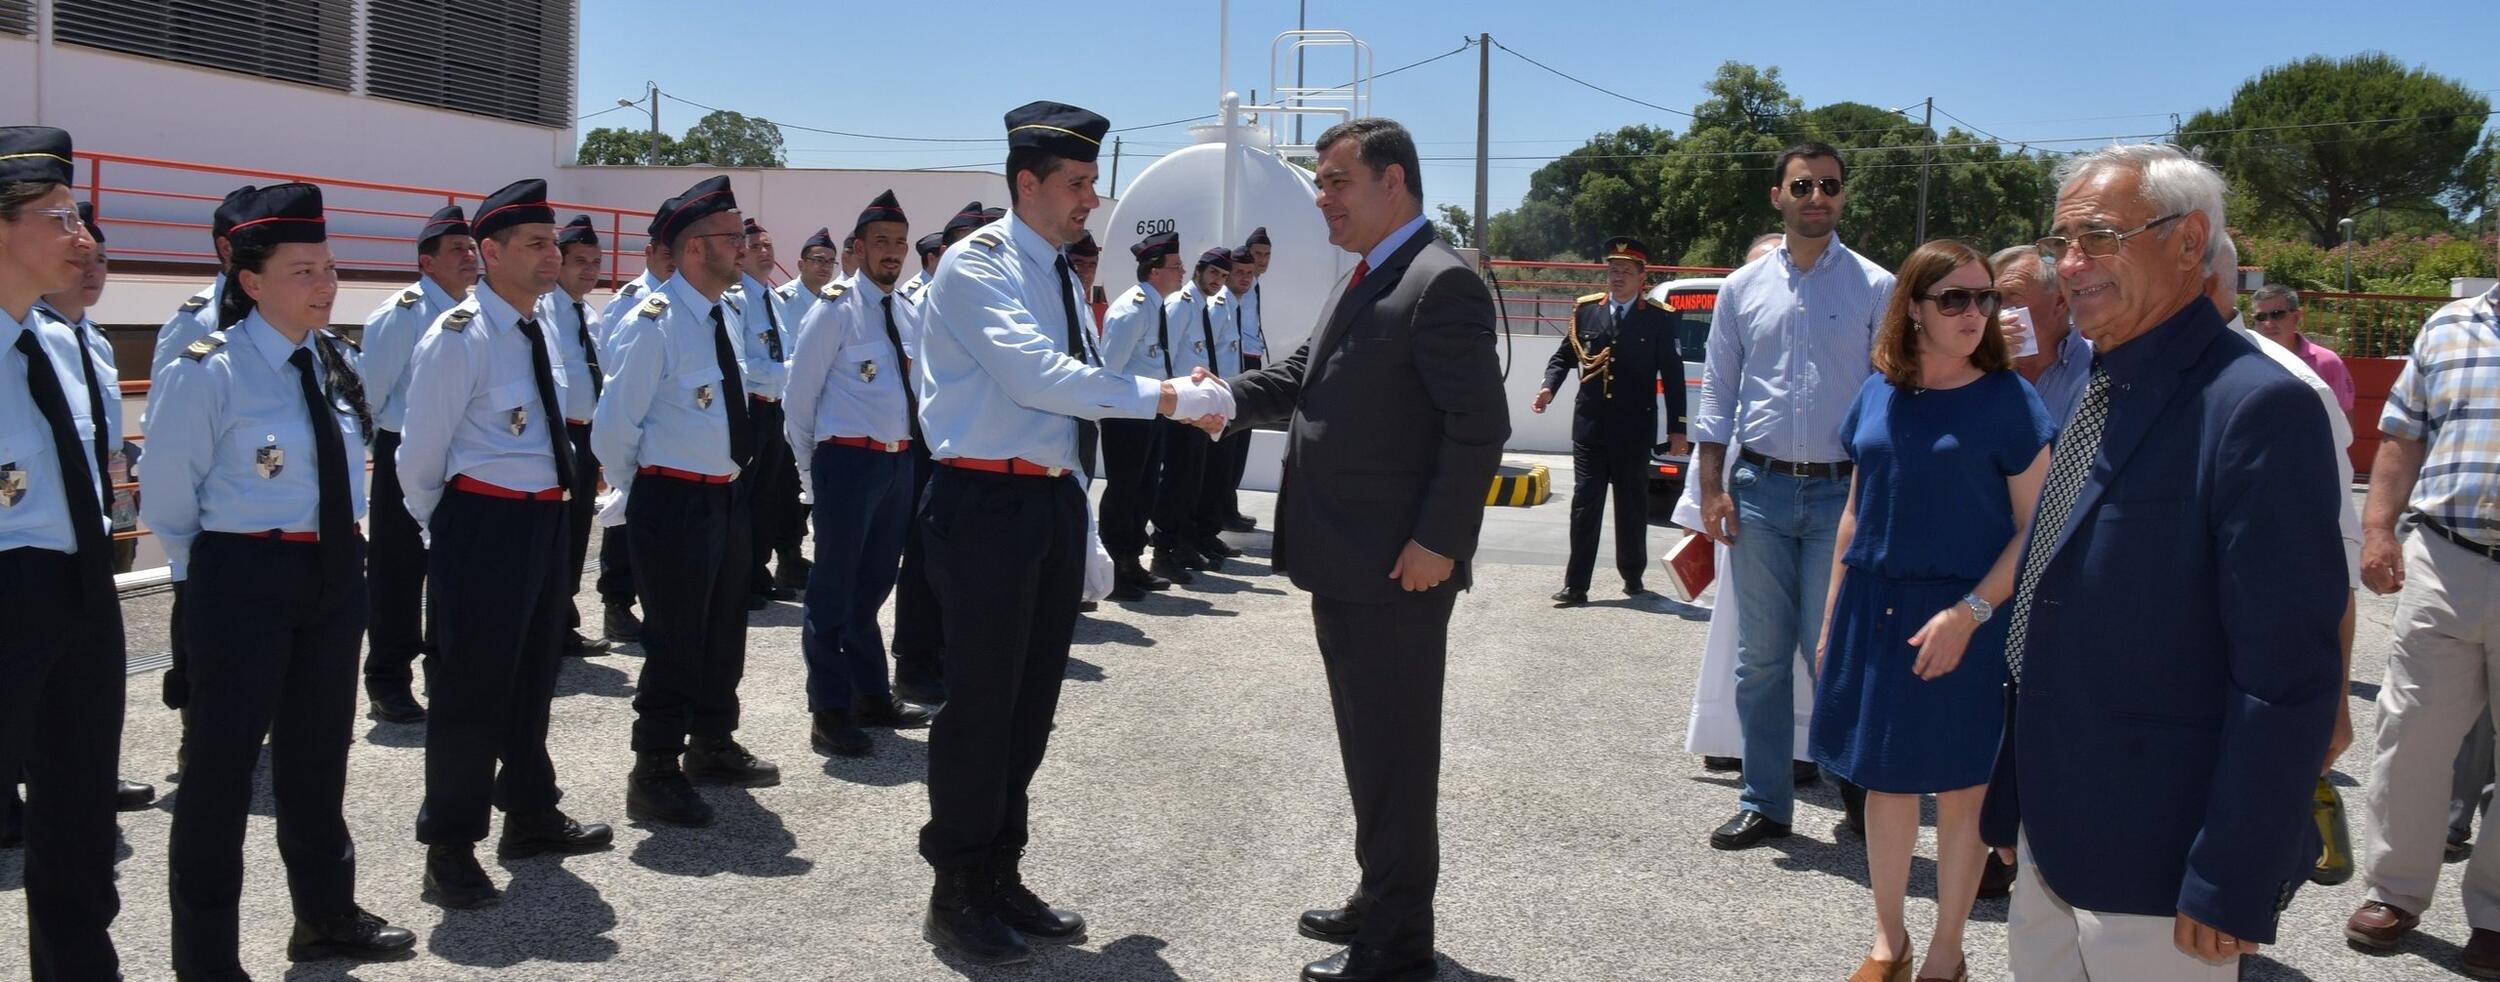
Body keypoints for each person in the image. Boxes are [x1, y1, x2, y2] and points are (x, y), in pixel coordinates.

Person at [1980, 143, 2343, 979]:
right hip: (2052, 841)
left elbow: (2285, 675)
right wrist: (2015, 796)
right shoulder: (2105, 388)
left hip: (2160, 870)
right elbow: (2050, 601)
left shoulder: (2258, 407)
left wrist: (2232, 876)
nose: (2072, 264)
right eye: (2062, 241)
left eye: (2101, 237)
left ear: (2189, 243)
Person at [911, 100, 1228, 966]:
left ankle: (1001, 871)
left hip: (1044, 502)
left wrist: (1083, 518)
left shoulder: (1053, 269)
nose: (1094, 197)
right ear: (1028, 182)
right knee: (980, 708)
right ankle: (956, 888)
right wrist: (1166, 398)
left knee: (1031, 706)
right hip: (981, 506)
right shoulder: (979, 266)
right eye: (1079, 182)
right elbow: (1038, 376)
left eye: (1093, 181)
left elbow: (1080, 392)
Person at [1216, 116, 1509, 982]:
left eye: (1337, 180)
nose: (1321, 197)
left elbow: (1479, 427)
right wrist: (1199, 399)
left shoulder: (1438, 281)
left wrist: (1437, 543)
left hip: (1398, 572)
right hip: (1349, 563)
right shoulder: (1371, 275)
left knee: (1395, 753)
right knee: (1369, 747)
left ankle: (1398, 947)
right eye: (1320, 180)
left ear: (1394, 182)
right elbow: (1295, 381)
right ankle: (1382, 895)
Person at [143, 181, 419, 976]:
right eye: (304, 271)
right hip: (242, 574)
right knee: (220, 774)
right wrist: (213, 581)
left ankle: (326, 916)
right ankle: (206, 957)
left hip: (331, 570)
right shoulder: (210, 370)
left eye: (330, 268)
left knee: (317, 754)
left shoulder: (332, 360)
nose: (325, 284)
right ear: (251, 282)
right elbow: (169, 494)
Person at [1811, 240, 2053, 982]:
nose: (1975, 313)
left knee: (1961, 789)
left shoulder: (2010, 401)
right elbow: (1854, 514)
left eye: (1985, 298)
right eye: (1954, 299)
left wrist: (1970, 613)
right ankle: (1890, 941)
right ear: (1912, 309)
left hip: (1966, 617)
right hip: (1874, 610)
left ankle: (1947, 949)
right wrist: (1828, 624)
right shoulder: (1879, 390)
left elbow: (2036, 528)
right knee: (1883, 785)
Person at [398, 179, 617, 910]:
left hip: (542, 522)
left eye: (553, 242)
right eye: (534, 244)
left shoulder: (544, 324)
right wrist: (451, 530)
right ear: (488, 253)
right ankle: (451, 846)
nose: (551, 255)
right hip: (481, 524)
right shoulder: (457, 338)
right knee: (468, 693)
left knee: (529, 679)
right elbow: (418, 458)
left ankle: (528, 814)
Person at [1692, 142, 1895, 849]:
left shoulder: (1877, 287)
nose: (1818, 197)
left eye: (1830, 186)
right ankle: (1766, 801)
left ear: (1843, 197)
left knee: (1833, 655)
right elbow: (1717, 392)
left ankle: (1863, 803)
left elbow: (1891, 398)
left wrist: (1877, 498)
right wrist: (1713, 487)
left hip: (1844, 497)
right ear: (1777, 195)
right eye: (1803, 185)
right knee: (1762, 660)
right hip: (1760, 492)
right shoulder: (1740, 290)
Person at [592, 174, 784, 829]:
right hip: (673, 500)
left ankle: (711, 744)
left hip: (724, 499)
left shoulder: (721, 313)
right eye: (734, 237)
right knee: (675, 642)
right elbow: (614, 427)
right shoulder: (655, 324)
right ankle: (653, 771)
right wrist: (646, 487)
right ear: (697, 247)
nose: (746, 247)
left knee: (724, 633)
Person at [2343, 252, 2500, 969]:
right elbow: (2401, 438)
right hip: (2448, 556)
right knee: (2412, 734)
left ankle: (2495, 912)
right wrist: (2378, 529)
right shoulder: (2449, 327)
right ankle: (2397, 892)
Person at [0, 124, 129, 982]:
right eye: (58, 217)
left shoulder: (62, 344)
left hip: (79, 590)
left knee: (79, 809)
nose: (81, 238)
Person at [781, 189, 938, 758]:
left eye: (899, 243)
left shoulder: (908, 309)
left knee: (874, 585)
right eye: (882, 243)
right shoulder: (834, 308)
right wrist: (810, 475)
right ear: (859, 248)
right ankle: (829, 708)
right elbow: (798, 402)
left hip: (896, 462)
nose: (893, 253)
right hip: (845, 462)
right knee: (832, 590)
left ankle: (872, 693)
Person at [33, 201, 159, 812]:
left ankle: (91, 771)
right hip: (39, 526)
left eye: (102, 258)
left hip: (99, 512)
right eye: (81, 256)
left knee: (93, 660)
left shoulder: (98, 345)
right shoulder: (31, 337)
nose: (92, 269)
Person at [1681, 230, 1809, 778]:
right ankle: (1729, 736)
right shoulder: (1738, 323)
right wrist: (1702, 504)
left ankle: (1803, 747)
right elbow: (1715, 412)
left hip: (1811, 493)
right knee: (1743, 642)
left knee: (1806, 637)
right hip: (1745, 497)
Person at [356, 203, 479, 725]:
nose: (470, 256)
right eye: (457, 250)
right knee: (398, 574)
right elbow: (369, 396)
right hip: (403, 451)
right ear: (426, 263)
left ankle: (446, 672)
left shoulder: (474, 313)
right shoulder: (400, 314)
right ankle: (388, 680)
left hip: (459, 456)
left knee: (453, 572)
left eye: (472, 248)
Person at [1533, 235, 1686, 606]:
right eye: (1612, 269)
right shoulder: (1586, 311)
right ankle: (1576, 585)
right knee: (1585, 503)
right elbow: (1564, 357)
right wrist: (1548, 387)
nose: (1616, 276)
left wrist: (1677, 429)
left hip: (1634, 430)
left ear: (1641, 277)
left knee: (1632, 505)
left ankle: (1632, 577)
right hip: (1590, 427)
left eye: (1625, 271)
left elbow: (1673, 374)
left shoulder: (1659, 320)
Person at [886, 199, 991, 706]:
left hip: (959, 438)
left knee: (955, 561)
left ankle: (942, 654)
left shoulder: (973, 295)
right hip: (934, 440)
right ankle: (913, 661)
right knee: (927, 558)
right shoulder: (932, 297)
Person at [590, 197, 682, 646]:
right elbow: (615, 374)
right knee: (622, 524)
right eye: (663, 252)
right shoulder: (632, 303)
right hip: (635, 432)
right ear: (648, 254)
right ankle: (616, 605)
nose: (671, 259)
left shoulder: (687, 301)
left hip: (667, 436)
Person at [1095, 230, 1185, 600]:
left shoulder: (1154, 306)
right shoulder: (1131, 309)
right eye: (1176, 266)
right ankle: (1115, 569)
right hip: (1126, 417)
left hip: (1149, 413)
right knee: (1124, 491)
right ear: (1154, 271)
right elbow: (1109, 368)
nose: (1182, 272)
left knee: (1144, 488)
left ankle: (1132, 561)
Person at [542, 215, 612, 658]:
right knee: (552, 537)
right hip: (557, 436)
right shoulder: (543, 311)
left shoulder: (587, 314)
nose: (589, 270)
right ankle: (546, 625)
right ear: (559, 263)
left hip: (587, 437)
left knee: (575, 534)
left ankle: (563, 622)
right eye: (579, 261)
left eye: (595, 262)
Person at [732, 217, 807, 609]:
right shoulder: (735, 300)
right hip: (748, 412)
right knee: (743, 498)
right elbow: (741, 366)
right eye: (756, 246)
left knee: (768, 497)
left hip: (775, 411)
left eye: (768, 245)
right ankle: (739, 577)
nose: (765, 252)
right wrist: (788, 372)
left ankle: (758, 572)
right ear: (739, 253)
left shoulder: (774, 300)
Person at [1149, 246, 1232, 582]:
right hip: (1179, 408)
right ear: (1198, 270)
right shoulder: (1181, 305)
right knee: (1176, 481)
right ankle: (1163, 552)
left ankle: (1181, 544)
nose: (1218, 281)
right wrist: (1171, 401)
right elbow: (1165, 351)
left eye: (1223, 276)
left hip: (1196, 408)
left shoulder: (1202, 306)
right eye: (1213, 273)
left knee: (1191, 480)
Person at [1990, 244, 2094, 427]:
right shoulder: (1977, 369)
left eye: (2012, 296)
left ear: (2060, 301)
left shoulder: (2099, 368)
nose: (1997, 311)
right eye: (1992, 299)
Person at [2248, 284, 2355, 413]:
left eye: (2277, 314)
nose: (2268, 323)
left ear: (2296, 317)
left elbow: (2344, 413)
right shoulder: (2246, 362)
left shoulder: (2328, 362)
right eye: (2261, 317)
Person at [779, 226, 841, 317]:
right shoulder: (781, 301)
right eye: (819, 260)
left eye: (831, 262)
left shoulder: (832, 301)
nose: (826, 268)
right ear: (801, 265)